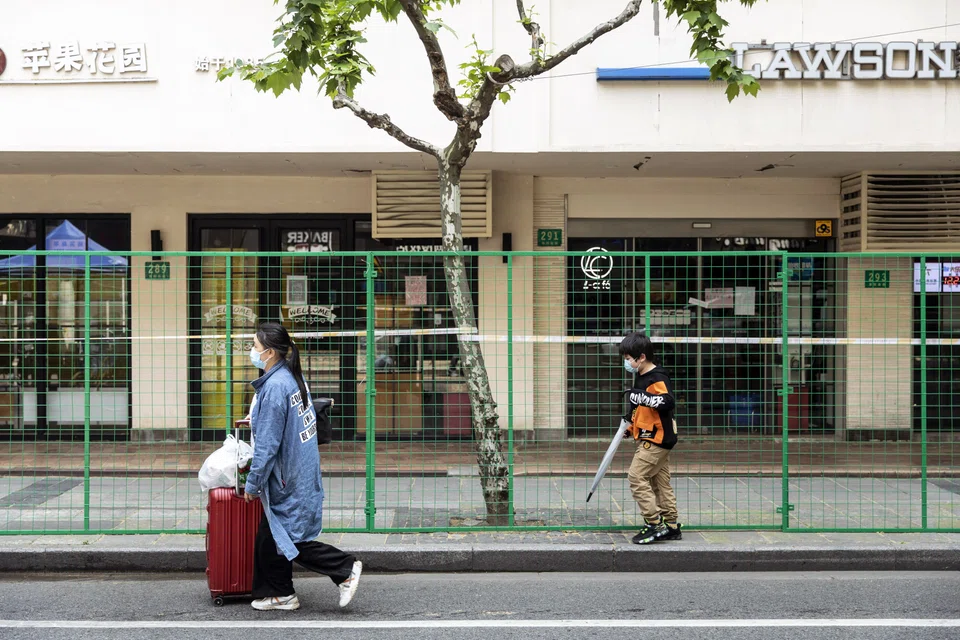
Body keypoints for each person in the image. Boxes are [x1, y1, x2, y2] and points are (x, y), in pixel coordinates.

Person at [243, 322, 362, 611]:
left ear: (270, 353)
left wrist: (253, 483)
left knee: (290, 540)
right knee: (268, 538)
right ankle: (282, 593)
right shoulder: (292, 378)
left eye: (255, 347)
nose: (252, 351)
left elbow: (268, 446)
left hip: (286, 477)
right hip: (300, 470)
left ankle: (344, 569)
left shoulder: (274, 388)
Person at [619, 332, 682, 545]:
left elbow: (667, 402)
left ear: (641, 357)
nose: (626, 362)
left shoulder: (657, 377)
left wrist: (642, 397)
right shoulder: (641, 377)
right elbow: (640, 410)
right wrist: (631, 426)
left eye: (628, 358)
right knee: (660, 482)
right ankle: (672, 525)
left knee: (636, 477)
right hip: (654, 435)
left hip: (657, 438)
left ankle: (655, 524)